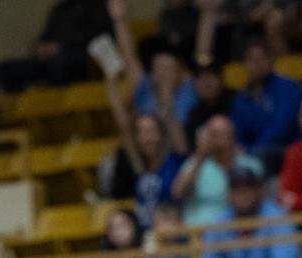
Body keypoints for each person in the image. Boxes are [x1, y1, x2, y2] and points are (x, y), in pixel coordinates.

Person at [201, 164, 302, 258]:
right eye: (236, 189)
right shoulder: (221, 224)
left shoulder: (277, 218)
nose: (243, 194)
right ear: (229, 195)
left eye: (248, 188)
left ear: (259, 190)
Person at [103, 74, 188, 227]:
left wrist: (165, 90)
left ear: (161, 134)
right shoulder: (138, 165)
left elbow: (170, 117)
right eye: (142, 132)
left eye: (151, 131)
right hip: (146, 236)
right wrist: (111, 83)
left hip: (174, 231)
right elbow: (123, 125)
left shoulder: (172, 159)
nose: (147, 137)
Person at [110, 0, 199, 127]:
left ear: (181, 72)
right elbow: (129, 58)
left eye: (168, 70)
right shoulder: (147, 88)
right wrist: (119, 20)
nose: (164, 75)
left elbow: (202, 55)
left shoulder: (191, 90)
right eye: (159, 70)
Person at [0, 0, 111, 92]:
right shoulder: (60, 10)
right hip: (51, 60)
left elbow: (97, 37)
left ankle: (60, 108)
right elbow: (44, 37)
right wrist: (39, 48)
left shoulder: (99, 5)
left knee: (60, 62)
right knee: (4, 69)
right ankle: (26, 109)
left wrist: (61, 47)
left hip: (82, 56)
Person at [171, 115, 265, 227]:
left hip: (242, 233)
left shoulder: (250, 165)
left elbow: (263, 202)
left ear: (233, 136)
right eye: (215, 134)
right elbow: (177, 194)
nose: (221, 139)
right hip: (199, 234)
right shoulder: (194, 163)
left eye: (225, 133)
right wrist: (200, 156)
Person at [230, 39, 302, 173]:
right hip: (255, 154)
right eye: (251, 60)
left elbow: (282, 127)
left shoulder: (288, 87)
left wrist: (250, 150)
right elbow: (237, 132)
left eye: (261, 59)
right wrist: (240, 149)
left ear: (271, 61)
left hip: (289, 149)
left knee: (258, 157)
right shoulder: (241, 98)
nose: (256, 64)